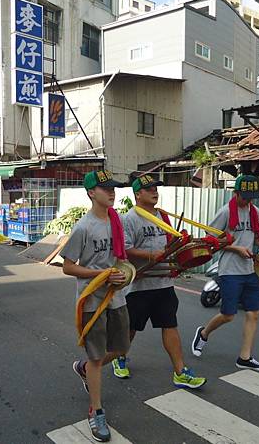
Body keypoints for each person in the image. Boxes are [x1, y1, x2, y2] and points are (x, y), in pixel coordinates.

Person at [111, 174, 207, 389]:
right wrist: (151, 255)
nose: (155, 191)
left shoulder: (163, 217)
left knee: (170, 325)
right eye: (149, 189)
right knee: (131, 328)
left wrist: (182, 254)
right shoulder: (129, 218)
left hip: (163, 283)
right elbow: (124, 250)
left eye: (156, 188)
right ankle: (119, 356)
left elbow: (171, 245)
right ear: (138, 194)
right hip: (139, 285)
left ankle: (180, 371)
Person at [61, 170, 130, 443]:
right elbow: (67, 266)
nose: (111, 192)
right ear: (91, 193)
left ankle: (84, 368)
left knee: (120, 348)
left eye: (112, 188)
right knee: (98, 358)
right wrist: (100, 275)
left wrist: (123, 274)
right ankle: (96, 410)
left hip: (117, 297)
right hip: (92, 301)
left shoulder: (117, 222)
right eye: (105, 189)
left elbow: (120, 260)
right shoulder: (83, 227)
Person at [191, 174, 259, 372]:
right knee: (228, 315)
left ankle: (245, 357)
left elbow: (257, 240)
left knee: (253, 313)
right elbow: (210, 240)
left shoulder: (254, 211)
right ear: (235, 193)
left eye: (251, 197)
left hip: (250, 270)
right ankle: (204, 333)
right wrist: (236, 248)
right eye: (244, 196)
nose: (248, 201)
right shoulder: (225, 212)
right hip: (229, 271)